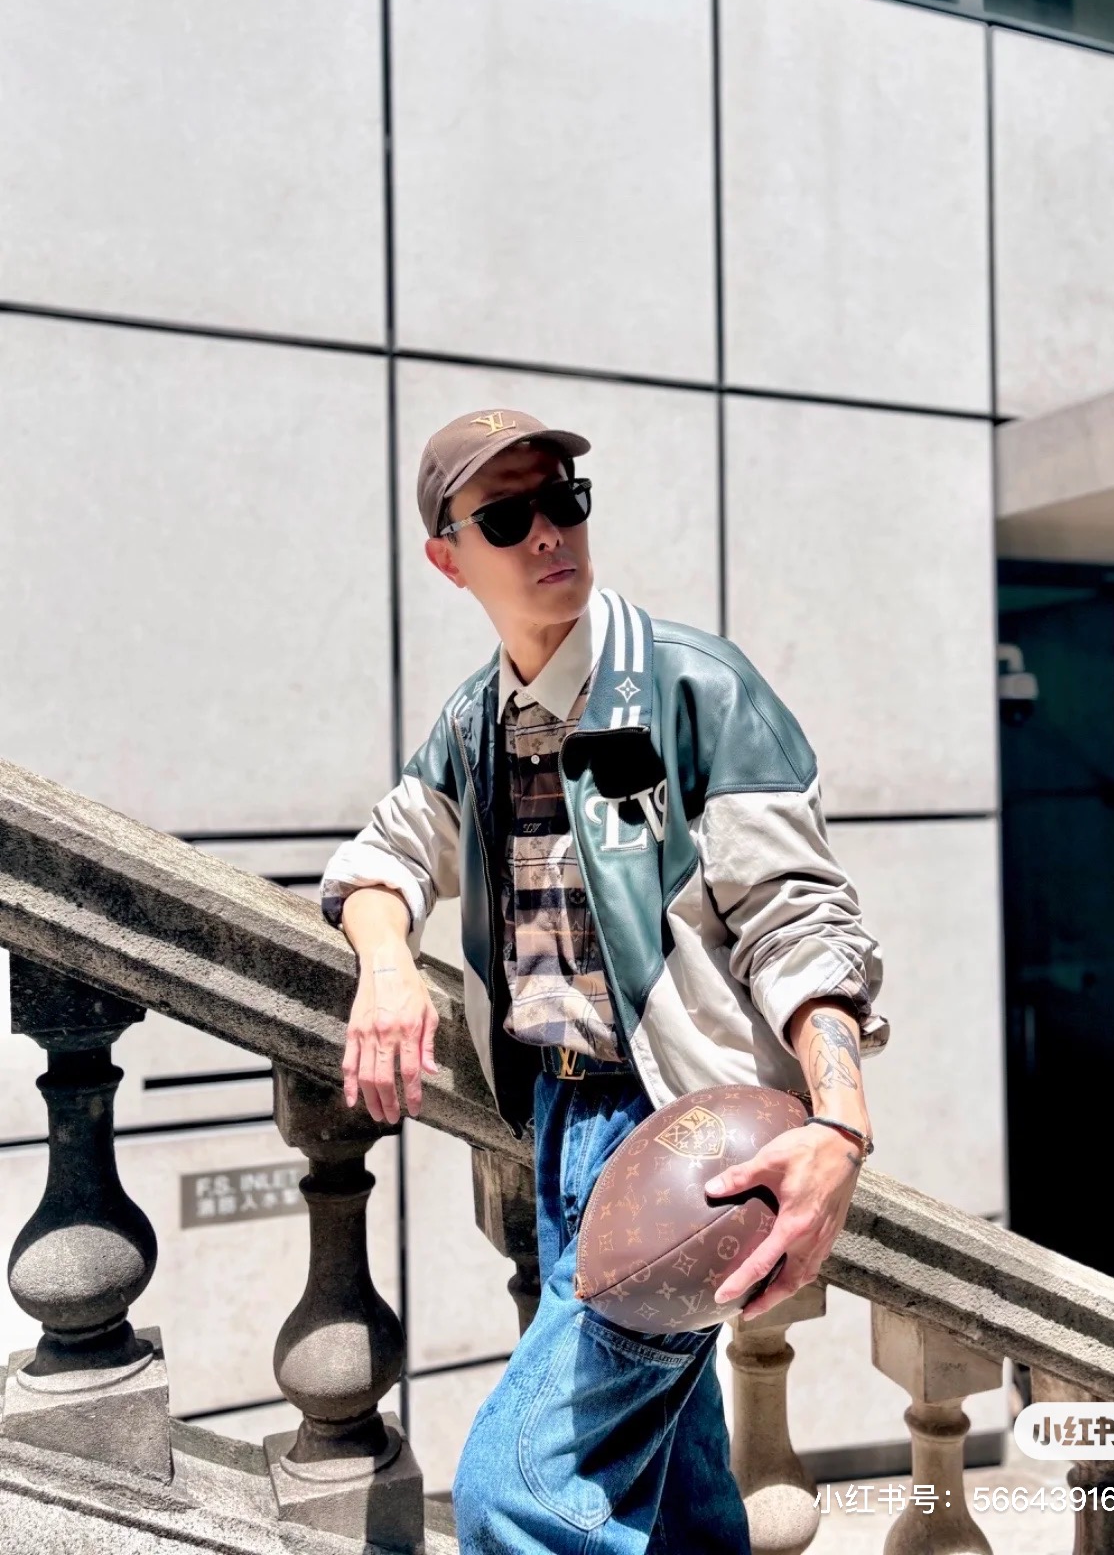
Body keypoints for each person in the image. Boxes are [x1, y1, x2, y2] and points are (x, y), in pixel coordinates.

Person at [320, 407, 887, 1555]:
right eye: (506, 517)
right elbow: (381, 858)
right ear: (448, 559)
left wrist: (840, 1122)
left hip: (687, 1147)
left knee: (515, 1493)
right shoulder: (477, 725)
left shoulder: (695, 686)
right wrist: (386, 965)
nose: (548, 533)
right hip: (557, 1127)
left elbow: (799, 918)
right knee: (678, 1508)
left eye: (563, 500)